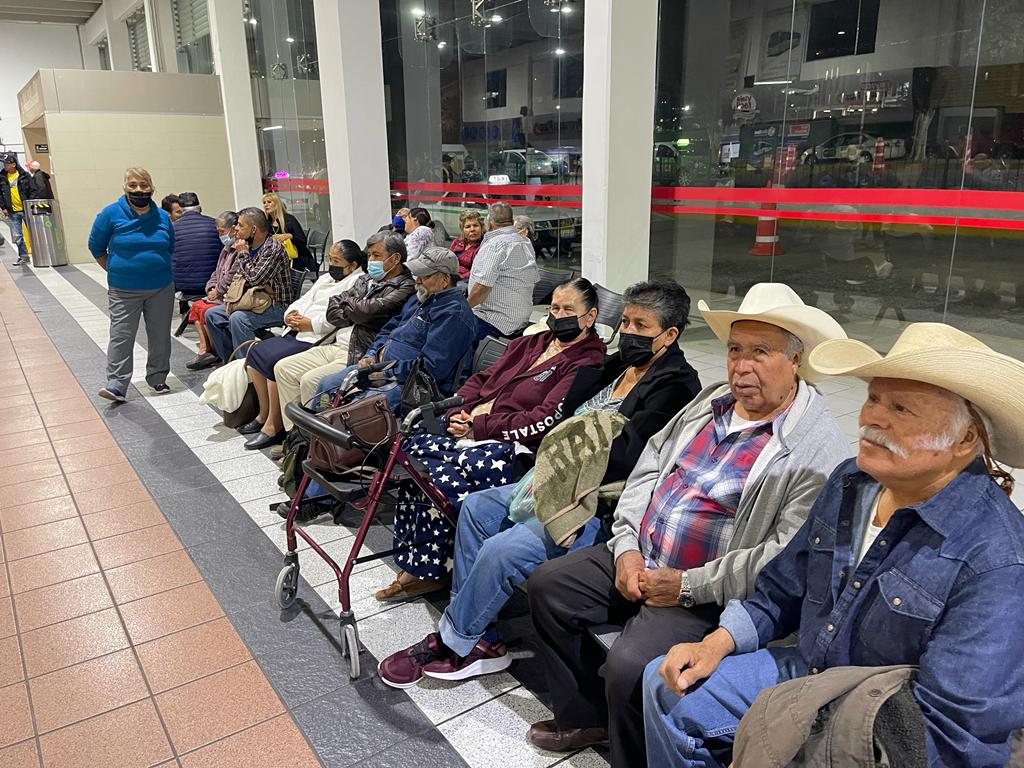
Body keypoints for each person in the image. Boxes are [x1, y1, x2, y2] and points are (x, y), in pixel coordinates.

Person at [643, 322, 1024, 768]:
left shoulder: (996, 560)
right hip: (806, 671)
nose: (871, 419)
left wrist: (796, 748)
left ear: (965, 439)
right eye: (874, 399)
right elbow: (782, 588)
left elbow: (951, 732)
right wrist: (716, 643)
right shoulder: (851, 482)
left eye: (901, 408)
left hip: (872, 724)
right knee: (664, 685)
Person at [525, 283, 850, 766]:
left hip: (703, 590)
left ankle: (632, 755)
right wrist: (627, 545)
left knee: (632, 666)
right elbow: (651, 463)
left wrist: (684, 586)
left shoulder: (814, 446)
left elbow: (782, 555)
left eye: (760, 352)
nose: (741, 365)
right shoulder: (713, 400)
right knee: (548, 585)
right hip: (641, 555)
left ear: (796, 360)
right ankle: (585, 716)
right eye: (735, 350)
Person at [377, 280, 704, 688]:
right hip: (552, 478)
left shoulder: (676, 385)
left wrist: (564, 444)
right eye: (625, 322)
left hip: (593, 502)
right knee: (477, 508)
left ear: (669, 335)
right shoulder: (620, 365)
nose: (629, 332)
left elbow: (626, 457)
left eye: (641, 325)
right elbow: (564, 409)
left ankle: (452, 642)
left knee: (502, 549)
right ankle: (482, 637)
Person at [374, 277, 608, 604]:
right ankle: (422, 565)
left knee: (439, 475)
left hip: (517, 448)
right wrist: (459, 407)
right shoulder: (532, 343)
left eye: (569, 309)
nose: (559, 314)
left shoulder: (587, 362)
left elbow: (543, 418)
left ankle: (443, 565)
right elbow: (482, 379)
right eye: (555, 307)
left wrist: (479, 427)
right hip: (474, 425)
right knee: (415, 456)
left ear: (590, 316)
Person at [273, 232, 415, 434]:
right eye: (369, 255)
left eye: (376, 255)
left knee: (311, 380)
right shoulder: (366, 279)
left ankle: (314, 439)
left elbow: (371, 311)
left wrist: (350, 308)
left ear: (396, 258)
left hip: (361, 350)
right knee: (283, 368)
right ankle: (294, 435)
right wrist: (356, 310)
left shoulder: (405, 286)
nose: (371, 261)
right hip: (336, 342)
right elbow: (334, 310)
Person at [310, 246, 477, 414]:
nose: (417, 280)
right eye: (417, 274)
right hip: (382, 369)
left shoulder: (453, 315)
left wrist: (387, 373)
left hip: (413, 385)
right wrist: (371, 354)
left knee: (357, 409)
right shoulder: (421, 298)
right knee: (327, 385)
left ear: (445, 279)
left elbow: (431, 369)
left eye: (424, 275)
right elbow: (389, 329)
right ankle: (312, 437)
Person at [239, 240, 366, 450]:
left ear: (352, 265)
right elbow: (304, 300)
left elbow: (340, 316)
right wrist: (290, 316)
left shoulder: (356, 282)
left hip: (315, 336)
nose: (331, 265)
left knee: (273, 362)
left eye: (336, 261)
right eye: (330, 259)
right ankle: (264, 414)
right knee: (256, 352)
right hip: (296, 329)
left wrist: (310, 324)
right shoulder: (325, 278)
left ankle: (275, 425)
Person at [88, 167, 176, 402]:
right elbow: (96, 247)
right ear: (125, 187)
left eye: (144, 185)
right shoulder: (110, 214)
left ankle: (158, 378)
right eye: (133, 185)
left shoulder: (163, 217)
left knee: (159, 335)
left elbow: (170, 247)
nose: (139, 190)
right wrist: (116, 269)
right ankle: (116, 384)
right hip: (123, 289)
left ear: (152, 188)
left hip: (161, 287)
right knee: (121, 335)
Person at [204, 207, 294, 364]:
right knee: (213, 315)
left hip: (276, 305)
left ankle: (249, 368)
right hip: (251, 300)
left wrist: (242, 253)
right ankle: (231, 362)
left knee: (238, 319)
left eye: (240, 225)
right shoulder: (247, 245)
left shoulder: (271, 248)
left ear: (253, 230)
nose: (236, 229)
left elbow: (255, 279)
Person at [468, 202, 539, 341]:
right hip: (521, 318)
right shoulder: (525, 242)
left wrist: (464, 308)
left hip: (494, 321)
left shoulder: (495, 245)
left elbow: (482, 287)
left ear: (490, 223)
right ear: (512, 222)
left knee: (450, 330)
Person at [185, 211, 240, 370]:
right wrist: (211, 287)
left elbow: (233, 275)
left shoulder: (239, 249)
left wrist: (218, 291)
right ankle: (206, 350)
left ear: (233, 229)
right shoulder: (226, 249)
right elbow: (217, 272)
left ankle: (220, 353)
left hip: (230, 295)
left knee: (208, 311)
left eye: (222, 231)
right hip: (219, 292)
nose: (219, 235)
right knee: (196, 306)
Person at [171, 192, 223, 295]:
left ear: (181, 210)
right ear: (200, 208)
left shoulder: (172, 228)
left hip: (183, 286)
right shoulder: (215, 224)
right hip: (212, 285)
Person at [263, 192, 313, 271]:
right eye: (264, 203)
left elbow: (303, 241)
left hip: (295, 257)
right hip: (276, 258)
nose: (266, 205)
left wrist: (290, 236)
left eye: (269, 202)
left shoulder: (289, 220)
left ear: (277, 204)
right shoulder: (267, 223)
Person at [0, 153, 31, 265]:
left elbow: (32, 190)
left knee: (34, 233)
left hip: (26, 210)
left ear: (13, 164)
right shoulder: (2, 177)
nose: (5, 166)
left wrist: (30, 204)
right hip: (12, 211)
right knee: (18, 236)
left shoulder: (24, 175)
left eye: (6, 163)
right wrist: (3, 207)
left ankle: (41, 254)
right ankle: (23, 256)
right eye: (4, 164)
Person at [450, 210, 484, 280]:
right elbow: (447, 260)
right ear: (462, 229)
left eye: (475, 225)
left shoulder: (483, 246)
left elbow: (476, 273)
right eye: (468, 227)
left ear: (481, 228)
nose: (472, 229)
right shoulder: (457, 242)